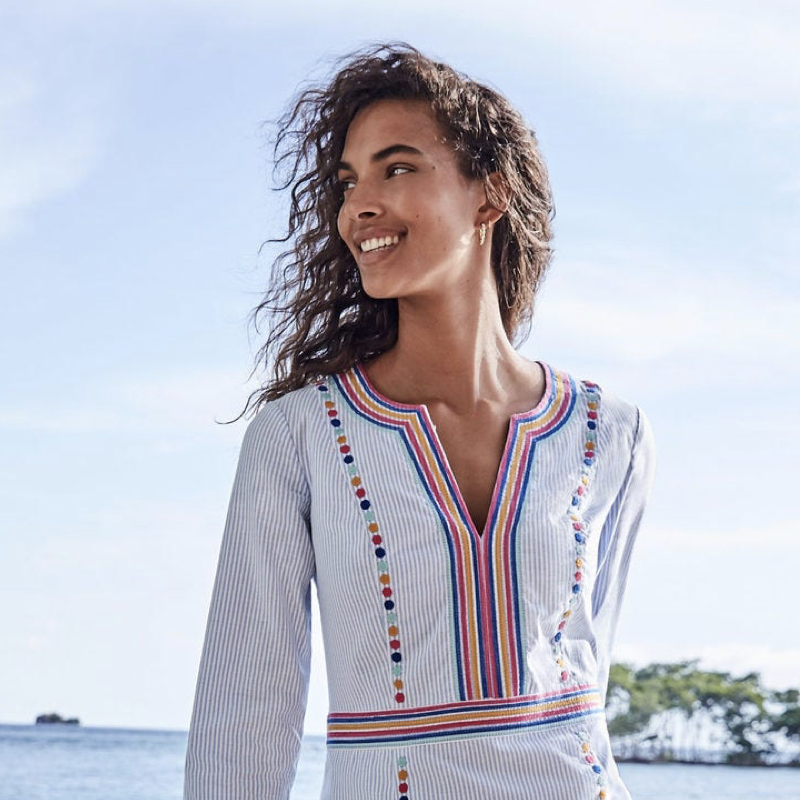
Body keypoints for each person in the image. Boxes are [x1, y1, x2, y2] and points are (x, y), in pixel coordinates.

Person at [184, 42, 656, 800]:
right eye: (348, 182)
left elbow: (586, 684)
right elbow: (246, 718)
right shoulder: (301, 436)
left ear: (490, 194)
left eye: (396, 167)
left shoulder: (613, 433)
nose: (358, 205)